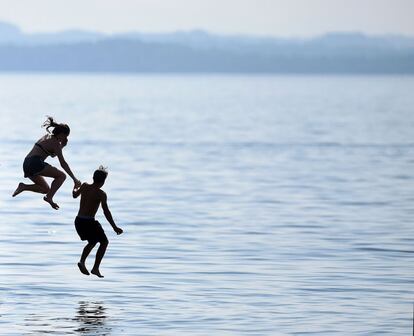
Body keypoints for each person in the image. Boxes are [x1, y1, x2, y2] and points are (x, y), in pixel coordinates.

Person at [12, 116, 81, 210]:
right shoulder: (55, 143)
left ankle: (23, 186)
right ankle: (49, 197)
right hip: (35, 162)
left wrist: (62, 146)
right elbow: (63, 163)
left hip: (26, 163)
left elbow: (52, 154)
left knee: (45, 189)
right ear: (61, 134)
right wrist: (74, 179)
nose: (65, 139)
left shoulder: (47, 137)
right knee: (62, 176)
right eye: (65, 136)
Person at [73, 166, 123, 278]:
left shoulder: (85, 186)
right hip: (89, 222)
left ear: (93, 178)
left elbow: (74, 195)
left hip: (78, 221)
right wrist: (114, 227)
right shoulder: (101, 194)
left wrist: (75, 187)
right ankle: (95, 268)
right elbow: (106, 212)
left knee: (92, 241)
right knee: (104, 242)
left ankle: (82, 262)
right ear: (104, 181)